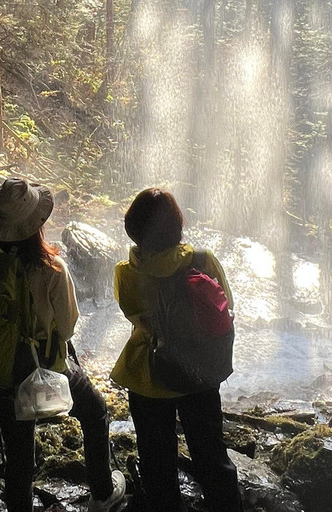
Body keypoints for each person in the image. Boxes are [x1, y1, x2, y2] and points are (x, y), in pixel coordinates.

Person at [0, 177, 126, 512]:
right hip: (45, 367)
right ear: (37, 225)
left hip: (0, 370)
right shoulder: (52, 268)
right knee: (96, 412)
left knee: (19, 456)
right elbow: (69, 326)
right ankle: (103, 494)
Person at [110, 188, 242, 512]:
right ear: (177, 226)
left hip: (149, 377)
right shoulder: (203, 260)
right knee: (212, 457)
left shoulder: (126, 273)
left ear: (134, 230)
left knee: (157, 464)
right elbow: (227, 308)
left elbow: (135, 317)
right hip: (200, 374)